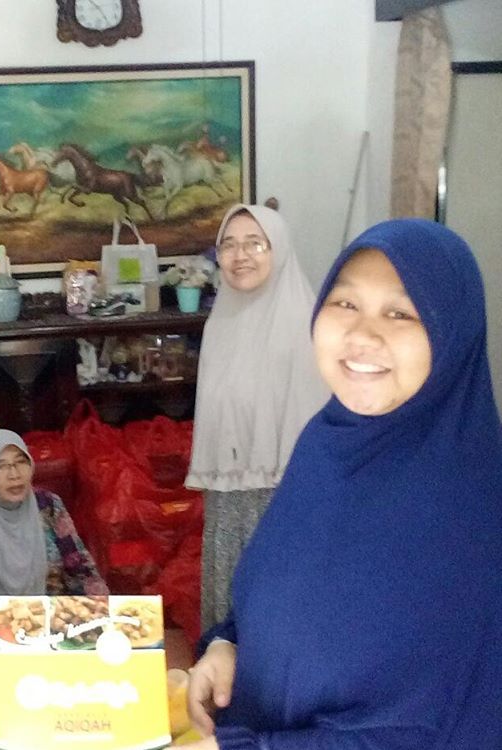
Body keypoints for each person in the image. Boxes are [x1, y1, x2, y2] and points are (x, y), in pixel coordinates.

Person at [183, 219, 502, 749]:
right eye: (345, 303)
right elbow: (281, 590)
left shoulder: (467, 512)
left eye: (400, 313)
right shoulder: (329, 442)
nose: (362, 335)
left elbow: (411, 733)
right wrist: (227, 646)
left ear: (453, 336)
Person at [186, 204, 328, 629]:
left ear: (278, 249)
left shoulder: (307, 325)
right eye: (228, 245)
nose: (240, 255)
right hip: (229, 493)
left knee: (280, 612)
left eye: (254, 244)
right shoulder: (220, 323)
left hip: (287, 496)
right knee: (230, 607)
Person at [0, 429, 108, 596]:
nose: (14, 474)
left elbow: (78, 564)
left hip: (58, 609)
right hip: (1, 612)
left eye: (21, 462)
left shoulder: (48, 505)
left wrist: (102, 604)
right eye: (0, 466)